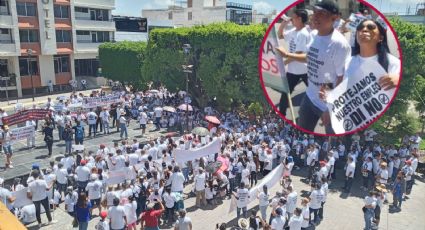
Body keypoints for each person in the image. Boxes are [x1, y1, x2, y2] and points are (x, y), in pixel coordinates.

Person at [276, 0, 351, 134]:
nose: (315, 16)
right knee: (302, 133)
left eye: (321, 13)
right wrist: (287, 54)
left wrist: (330, 108)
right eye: (315, 12)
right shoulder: (313, 35)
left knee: (331, 140)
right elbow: (310, 57)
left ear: (335, 18)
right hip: (310, 97)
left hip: (328, 104)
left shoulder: (339, 44)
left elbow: (342, 78)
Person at [277, 9, 310, 116]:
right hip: (292, 71)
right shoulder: (293, 31)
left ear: (300, 19)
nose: (291, 19)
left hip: (305, 70)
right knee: (285, 94)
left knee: (315, 94)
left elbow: (298, 54)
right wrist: (283, 23)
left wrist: (284, 63)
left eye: (293, 17)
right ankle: (282, 116)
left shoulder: (303, 33)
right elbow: (280, 35)